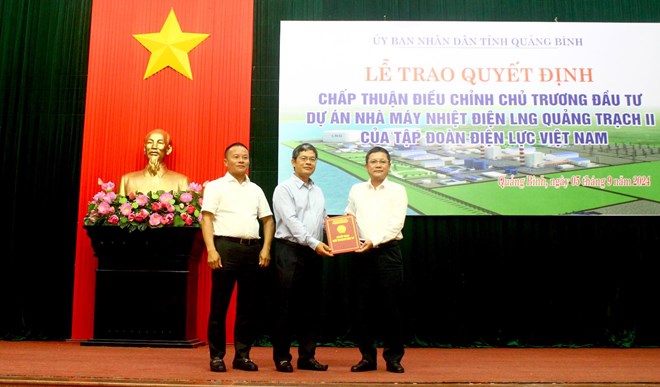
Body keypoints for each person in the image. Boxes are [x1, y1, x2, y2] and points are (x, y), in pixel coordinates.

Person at [200, 142, 274, 373]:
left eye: (245, 157)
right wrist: (211, 249)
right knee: (219, 306)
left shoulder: (256, 189)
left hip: (252, 250)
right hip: (225, 248)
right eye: (236, 157)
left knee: (248, 308)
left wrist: (266, 248)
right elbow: (206, 218)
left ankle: (242, 355)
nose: (242, 160)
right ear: (226, 161)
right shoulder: (215, 186)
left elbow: (268, 220)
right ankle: (217, 356)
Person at [271, 143, 334, 373]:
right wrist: (316, 243)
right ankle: (282, 357)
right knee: (285, 307)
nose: (309, 162)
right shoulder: (284, 189)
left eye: (313, 159)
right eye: (304, 158)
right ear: (293, 162)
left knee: (311, 308)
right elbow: (292, 222)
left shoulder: (318, 190)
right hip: (290, 251)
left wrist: (340, 235)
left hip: (313, 254)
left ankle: (307, 357)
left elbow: (323, 219)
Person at [344, 146, 408, 374]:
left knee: (391, 308)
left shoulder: (398, 190)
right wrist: (340, 230)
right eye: (374, 161)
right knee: (361, 308)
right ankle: (367, 357)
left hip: (387, 252)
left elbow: (396, 224)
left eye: (382, 161)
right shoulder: (356, 189)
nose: (378, 165)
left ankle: (393, 358)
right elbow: (349, 213)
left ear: (389, 166)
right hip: (360, 252)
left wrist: (374, 240)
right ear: (366, 166)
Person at [118, 128, 189, 195]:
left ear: (168, 149)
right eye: (150, 142)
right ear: (145, 149)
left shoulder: (181, 182)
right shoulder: (127, 180)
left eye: (160, 143)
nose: (154, 146)